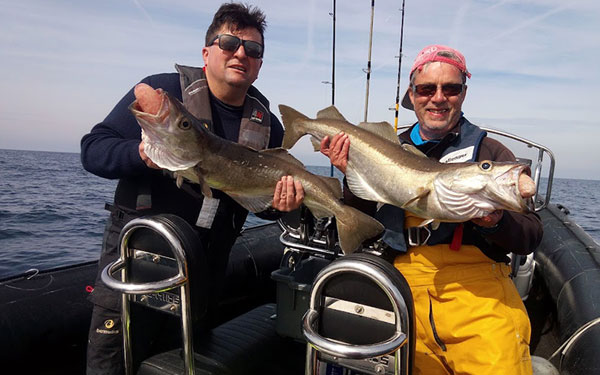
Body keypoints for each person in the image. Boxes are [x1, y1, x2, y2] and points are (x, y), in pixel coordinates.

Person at [80, 3, 303, 374]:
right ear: (206, 51)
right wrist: (140, 154)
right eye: (229, 43)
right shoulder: (165, 93)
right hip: (136, 268)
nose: (241, 54)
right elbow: (93, 150)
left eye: (253, 50)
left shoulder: (268, 128)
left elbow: (259, 205)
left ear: (260, 64)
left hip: (201, 277)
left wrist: (281, 204)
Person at [321, 45, 543, 375]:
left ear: (463, 94)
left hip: (480, 293)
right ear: (412, 94)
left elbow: (531, 235)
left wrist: (495, 222)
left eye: (450, 88)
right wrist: (350, 173)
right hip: (402, 284)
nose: (438, 98)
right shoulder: (385, 148)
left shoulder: (489, 152)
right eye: (426, 88)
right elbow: (364, 218)